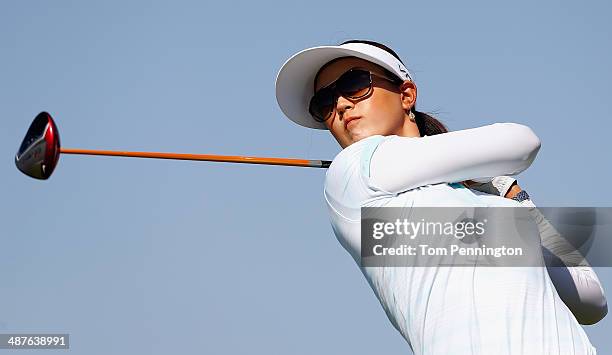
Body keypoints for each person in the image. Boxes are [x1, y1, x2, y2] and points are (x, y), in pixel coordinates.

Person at [275, 40, 607, 354]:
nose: (341, 104)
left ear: (406, 94)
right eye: (325, 102)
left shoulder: (488, 205)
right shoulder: (351, 171)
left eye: (354, 83)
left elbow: (590, 300)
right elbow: (520, 141)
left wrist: (515, 199)